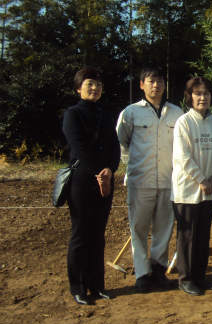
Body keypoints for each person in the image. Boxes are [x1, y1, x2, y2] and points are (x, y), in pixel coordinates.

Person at [116, 68, 183, 292]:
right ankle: (142, 274)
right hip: (140, 180)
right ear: (142, 85)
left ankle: (158, 270)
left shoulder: (176, 113)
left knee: (164, 227)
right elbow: (123, 143)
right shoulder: (131, 113)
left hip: (168, 179)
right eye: (151, 81)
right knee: (139, 228)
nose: (156, 85)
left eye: (160, 81)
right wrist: (133, 167)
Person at [62, 66, 120, 305]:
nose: (94, 88)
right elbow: (79, 148)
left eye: (97, 84)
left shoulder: (107, 114)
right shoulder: (72, 114)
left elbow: (115, 147)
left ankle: (97, 286)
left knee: (98, 234)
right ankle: (78, 286)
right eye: (89, 84)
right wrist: (98, 170)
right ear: (78, 89)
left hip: (105, 180)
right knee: (81, 234)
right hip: (82, 181)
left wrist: (110, 169)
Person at [171, 77, 212, 296]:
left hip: (209, 189)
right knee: (187, 236)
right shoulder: (184, 122)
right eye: (197, 93)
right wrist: (201, 179)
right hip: (188, 189)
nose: (202, 98)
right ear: (190, 97)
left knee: (203, 235)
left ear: (211, 96)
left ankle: (200, 276)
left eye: (206, 93)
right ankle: (185, 279)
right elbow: (183, 157)